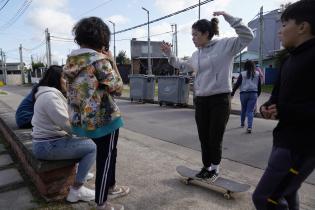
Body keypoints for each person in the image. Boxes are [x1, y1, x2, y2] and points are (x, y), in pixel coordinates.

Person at [161, 11, 253, 181]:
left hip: (220, 99)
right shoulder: (196, 55)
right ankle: (206, 167)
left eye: (195, 35)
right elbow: (182, 65)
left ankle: (215, 169)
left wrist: (229, 16)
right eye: (192, 35)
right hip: (201, 100)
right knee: (203, 136)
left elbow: (248, 36)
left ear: (206, 33)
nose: (193, 38)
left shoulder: (226, 45)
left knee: (214, 136)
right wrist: (169, 54)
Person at [252, 1, 315, 209]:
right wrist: (267, 107)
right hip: (283, 139)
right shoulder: (288, 60)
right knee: (287, 193)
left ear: (302, 27)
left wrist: (285, 110)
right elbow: (276, 98)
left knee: (265, 198)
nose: (281, 30)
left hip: (302, 146)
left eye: (284, 24)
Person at [63, 17, 129, 210]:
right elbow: (118, 88)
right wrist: (112, 61)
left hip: (82, 120)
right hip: (104, 119)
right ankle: (102, 203)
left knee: (105, 156)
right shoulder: (99, 60)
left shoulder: (71, 61)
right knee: (105, 158)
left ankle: (109, 188)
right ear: (101, 38)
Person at [31, 65, 97, 203]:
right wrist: (89, 133)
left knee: (80, 140)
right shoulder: (50, 98)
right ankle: (77, 190)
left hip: (47, 143)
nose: (67, 81)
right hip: (48, 145)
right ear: (56, 79)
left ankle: (81, 174)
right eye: (64, 78)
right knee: (91, 147)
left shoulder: (49, 94)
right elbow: (68, 125)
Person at [231, 60, 261, 133]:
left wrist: (232, 92)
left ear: (245, 66)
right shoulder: (257, 74)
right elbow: (259, 85)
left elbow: (237, 84)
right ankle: (249, 127)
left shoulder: (242, 74)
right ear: (253, 66)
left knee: (243, 109)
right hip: (253, 93)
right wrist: (258, 94)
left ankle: (242, 123)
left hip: (243, 93)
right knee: (250, 111)